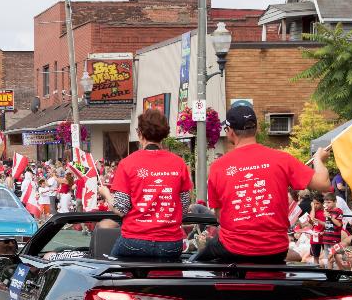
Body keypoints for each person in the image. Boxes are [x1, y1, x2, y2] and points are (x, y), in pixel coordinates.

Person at [198, 104, 332, 263]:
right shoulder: (282, 159)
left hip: (233, 248)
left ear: (230, 131)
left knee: (195, 263)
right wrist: (319, 159)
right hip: (276, 250)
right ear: (256, 129)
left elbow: (220, 216)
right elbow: (324, 184)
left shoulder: (218, 167)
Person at [101, 109, 193, 260]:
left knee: (111, 272)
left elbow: (120, 209)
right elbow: (183, 208)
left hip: (134, 240)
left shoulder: (127, 163)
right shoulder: (179, 163)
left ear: (140, 133)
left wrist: (105, 193)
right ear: (164, 134)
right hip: (171, 244)